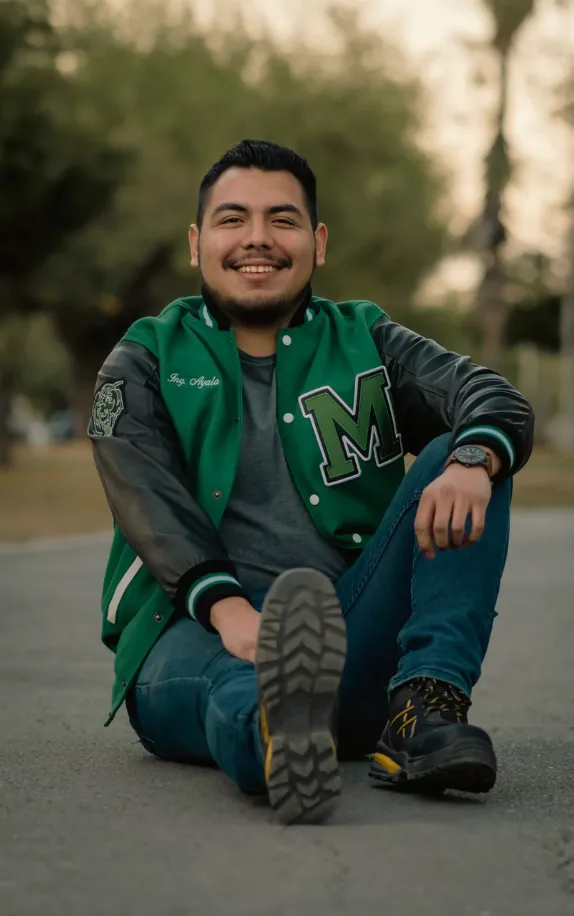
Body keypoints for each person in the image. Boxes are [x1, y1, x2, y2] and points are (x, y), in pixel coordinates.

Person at [89, 139, 534, 826]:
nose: (258, 239)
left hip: (348, 637)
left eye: (283, 220)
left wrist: (473, 461)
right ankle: (274, 739)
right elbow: (147, 498)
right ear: (196, 241)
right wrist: (232, 614)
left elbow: (489, 396)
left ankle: (424, 710)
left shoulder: (368, 339)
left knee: (466, 448)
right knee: (236, 683)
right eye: (233, 219)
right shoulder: (145, 358)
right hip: (190, 634)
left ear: (318, 241)